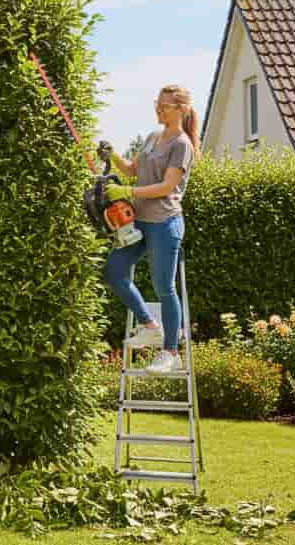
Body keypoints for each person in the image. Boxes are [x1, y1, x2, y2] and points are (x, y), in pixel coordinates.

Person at [99, 85, 200, 375]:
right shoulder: (152, 137)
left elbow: (167, 187)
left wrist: (127, 191)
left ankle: (170, 351)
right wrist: (114, 155)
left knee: (163, 287)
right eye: (157, 104)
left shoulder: (182, 145)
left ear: (180, 109)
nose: (158, 109)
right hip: (140, 221)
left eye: (165, 106)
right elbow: (133, 170)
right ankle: (149, 324)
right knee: (113, 271)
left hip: (165, 224)